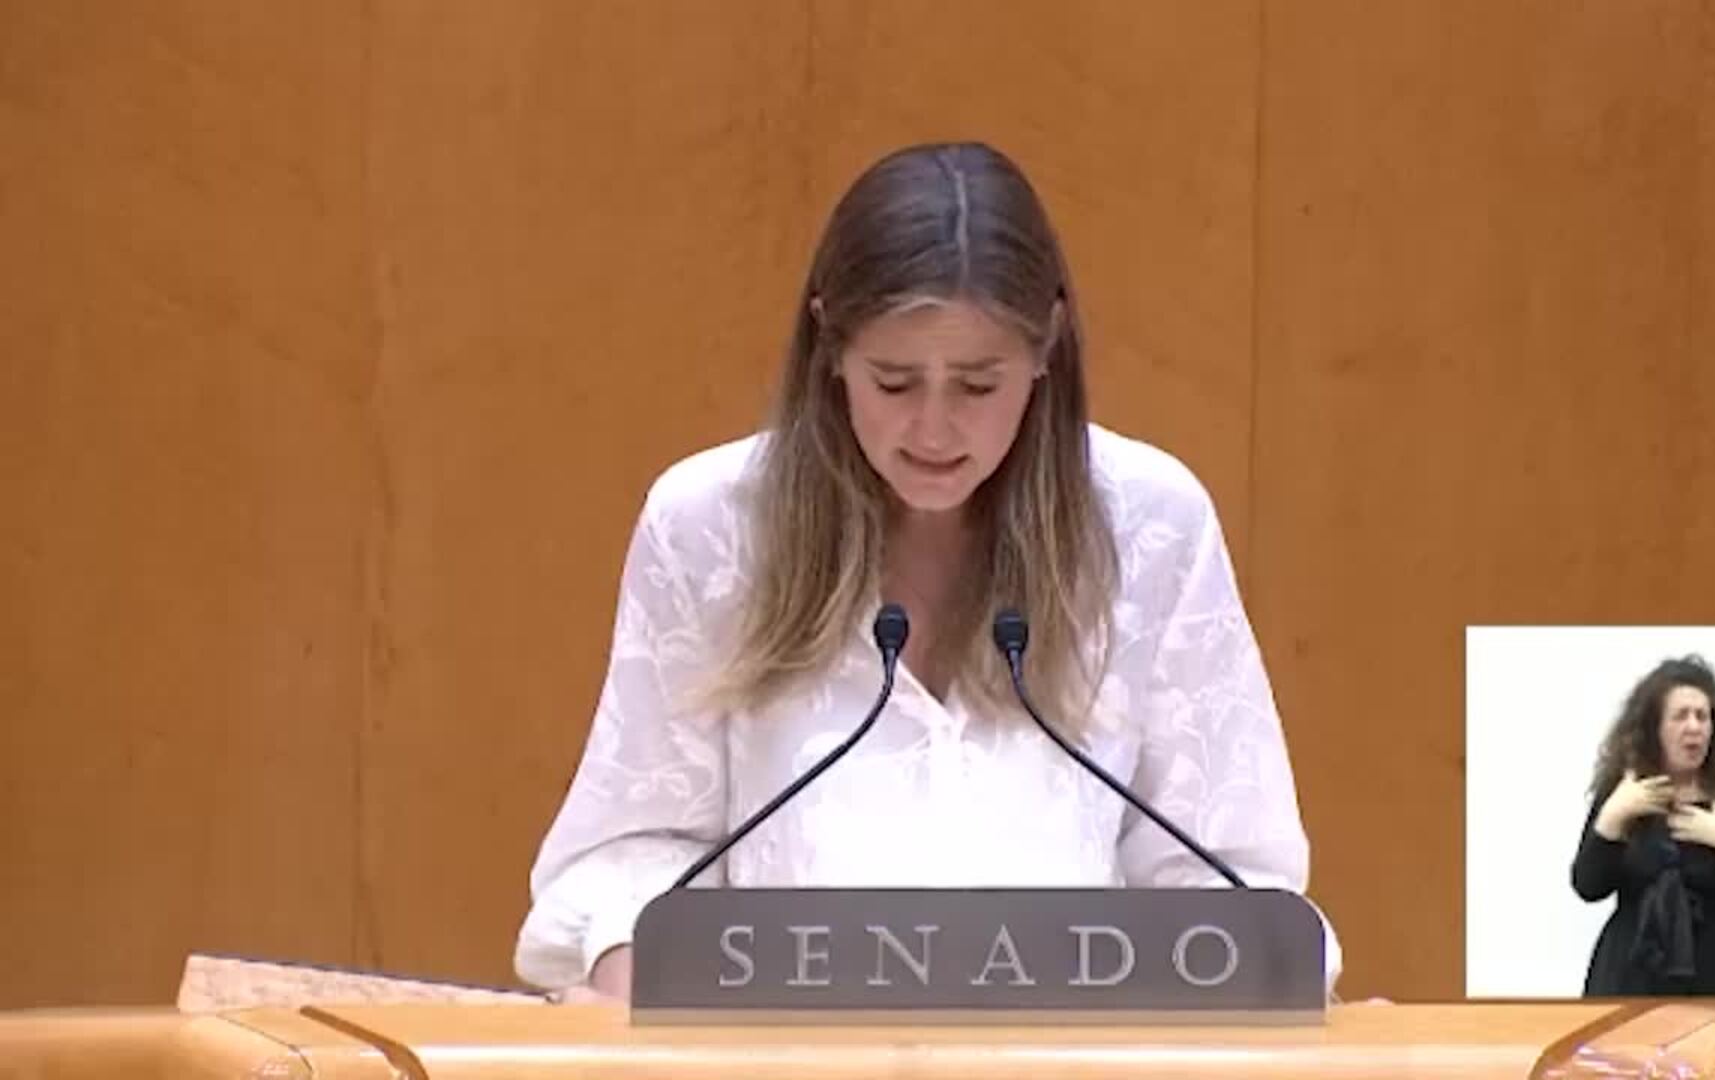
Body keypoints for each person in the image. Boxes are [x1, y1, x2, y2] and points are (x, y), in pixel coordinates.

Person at [512, 140, 1341, 1000]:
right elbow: (638, 848)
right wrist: (629, 969)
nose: (934, 431)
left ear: (1047, 345)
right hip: (780, 1053)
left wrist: (1272, 974)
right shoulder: (712, 526)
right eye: (895, 382)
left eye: (978, 386)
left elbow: (1225, 874)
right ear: (831, 346)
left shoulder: (1150, 527)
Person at [1571, 654, 1715, 996]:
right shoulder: (1624, 791)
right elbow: (1588, 886)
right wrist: (1611, 819)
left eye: (1703, 716)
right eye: (1680, 716)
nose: (1694, 727)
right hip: (1632, 973)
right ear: (1654, 727)